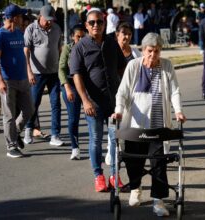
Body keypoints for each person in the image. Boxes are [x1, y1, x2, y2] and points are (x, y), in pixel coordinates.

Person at [112, 32, 186, 217]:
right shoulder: (133, 65)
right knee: (132, 160)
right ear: (143, 50)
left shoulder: (166, 66)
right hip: (134, 124)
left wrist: (178, 110)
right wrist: (119, 110)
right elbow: (122, 92)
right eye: (150, 51)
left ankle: (158, 201)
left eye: (157, 51)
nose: (153, 55)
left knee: (158, 163)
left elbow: (175, 91)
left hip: (158, 125)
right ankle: (135, 188)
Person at [69, 8, 127, 192]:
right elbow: (76, 75)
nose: (96, 25)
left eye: (99, 22)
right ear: (86, 25)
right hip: (93, 104)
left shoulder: (111, 43)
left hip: (113, 103)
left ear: (104, 23)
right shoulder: (80, 47)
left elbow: (121, 69)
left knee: (114, 140)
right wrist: (85, 101)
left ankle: (114, 175)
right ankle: (98, 176)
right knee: (95, 140)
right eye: (92, 22)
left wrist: (123, 93)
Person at [0, 4, 34, 158]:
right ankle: (11, 146)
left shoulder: (18, 32)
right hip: (8, 81)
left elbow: (23, 54)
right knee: (9, 114)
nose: (23, 19)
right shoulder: (0, 35)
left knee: (29, 109)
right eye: (21, 16)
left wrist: (28, 71)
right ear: (14, 18)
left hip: (22, 79)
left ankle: (15, 131)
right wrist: (0, 80)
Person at [23, 5, 64, 146]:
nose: (49, 22)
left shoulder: (57, 29)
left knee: (56, 104)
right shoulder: (31, 29)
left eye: (52, 20)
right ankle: (29, 129)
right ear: (40, 16)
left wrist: (61, 68)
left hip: (54, 73)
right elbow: (26, 52)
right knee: (33, 104)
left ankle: (55, 135)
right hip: (37, 73)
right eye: (47, 20)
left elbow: (60, 49)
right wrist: (29, 72)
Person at [105, 21, 141, 166]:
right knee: (114, 124)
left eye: (129, 34)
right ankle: (111, 150)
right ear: (117, 35)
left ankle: (126, 152)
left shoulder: (135, 53)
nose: (126, 37)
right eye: (123, 33)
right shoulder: (111, 51)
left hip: (131, 95)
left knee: (129, 125)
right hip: (114, 94)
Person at [58, 24, 86, 160]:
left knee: (92, 117)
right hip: (71, 85)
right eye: (77, 37)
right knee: (73, 118)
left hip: (86, 85)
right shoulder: (68, 49)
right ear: (72, 37)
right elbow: (61, 68)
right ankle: (75, 147)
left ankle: (95, 147)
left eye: (82, 36)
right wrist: (67, 87)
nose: (80, 39)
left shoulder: (89, 47)